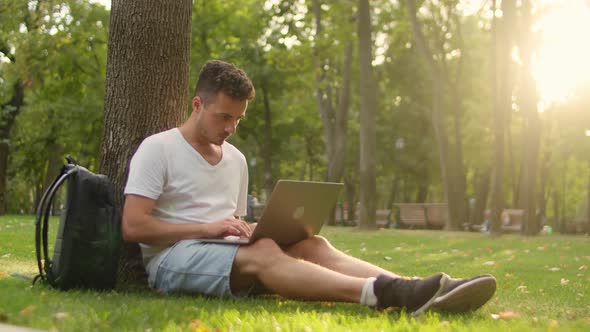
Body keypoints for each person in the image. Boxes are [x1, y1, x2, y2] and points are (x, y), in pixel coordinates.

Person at [122, 60, 496, 315]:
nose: (231, 128)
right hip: (171, 260)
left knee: (311, 244)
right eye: (223, 117)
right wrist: (208, 228)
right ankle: (382, 294)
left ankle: (421, 289)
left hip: (225, 253)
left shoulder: (235, 160)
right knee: (265, 251)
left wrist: (245, 229)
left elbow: (230, 219)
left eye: (238, 119)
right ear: (197, 104)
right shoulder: (159, 148)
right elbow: (134, 226)